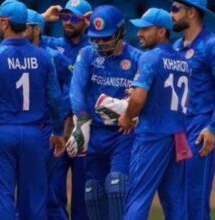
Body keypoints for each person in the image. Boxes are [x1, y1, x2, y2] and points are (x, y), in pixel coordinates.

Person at [0, 1, 66, 219]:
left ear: (5, 23)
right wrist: (59, 132)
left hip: (1, 132)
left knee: (3, 195)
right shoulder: (44, 57)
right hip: (34, 133)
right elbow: (55, 98)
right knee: (35, 197)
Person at [68, 5, 142, 220]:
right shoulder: (87, 54)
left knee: (117, 185)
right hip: (95, 132)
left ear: (120, 32)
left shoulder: (138, 58)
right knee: (92, 191)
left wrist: (128, 108)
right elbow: (76, 89)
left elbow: (143, 94)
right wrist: (81, 121)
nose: (100, 43)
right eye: (96, 38)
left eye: (106, 37)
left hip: (123, 133)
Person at [118, 8, 190, 219]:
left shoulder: (150, 58)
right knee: (175, 201)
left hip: (152, 135)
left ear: (161, 32)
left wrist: (127, 116)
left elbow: (139, 99)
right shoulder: (184, 62)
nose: (139, 33)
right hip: (177, 136)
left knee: (138, 197)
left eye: (145, 29)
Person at [40, 1, 93, 218]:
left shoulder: (98, 47)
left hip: (86, 130)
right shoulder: (51, 44)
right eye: (64, 17)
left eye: (74, 17)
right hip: (58, 130)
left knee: (84, 197)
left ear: (87, 20)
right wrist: (42, 18)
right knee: (54, 193)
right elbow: (19, 36)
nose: (67, 22)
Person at [25, 9, 73, 220]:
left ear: (36, 30)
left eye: (24, 26)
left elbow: (74, 81)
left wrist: (63, 112)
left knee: (35, 186)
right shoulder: (14, 52)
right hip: (25, 130)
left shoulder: (53, 56)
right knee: (40, 187)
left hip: (46, 130)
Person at [170, 1, 215, 219]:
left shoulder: (211, 45)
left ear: (192, 12)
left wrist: (213, 128)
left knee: (195, 198)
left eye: (175, 9)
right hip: (177, 128)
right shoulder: (177, 47)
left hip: (201, 126)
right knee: (177, 198)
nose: (171, 14)